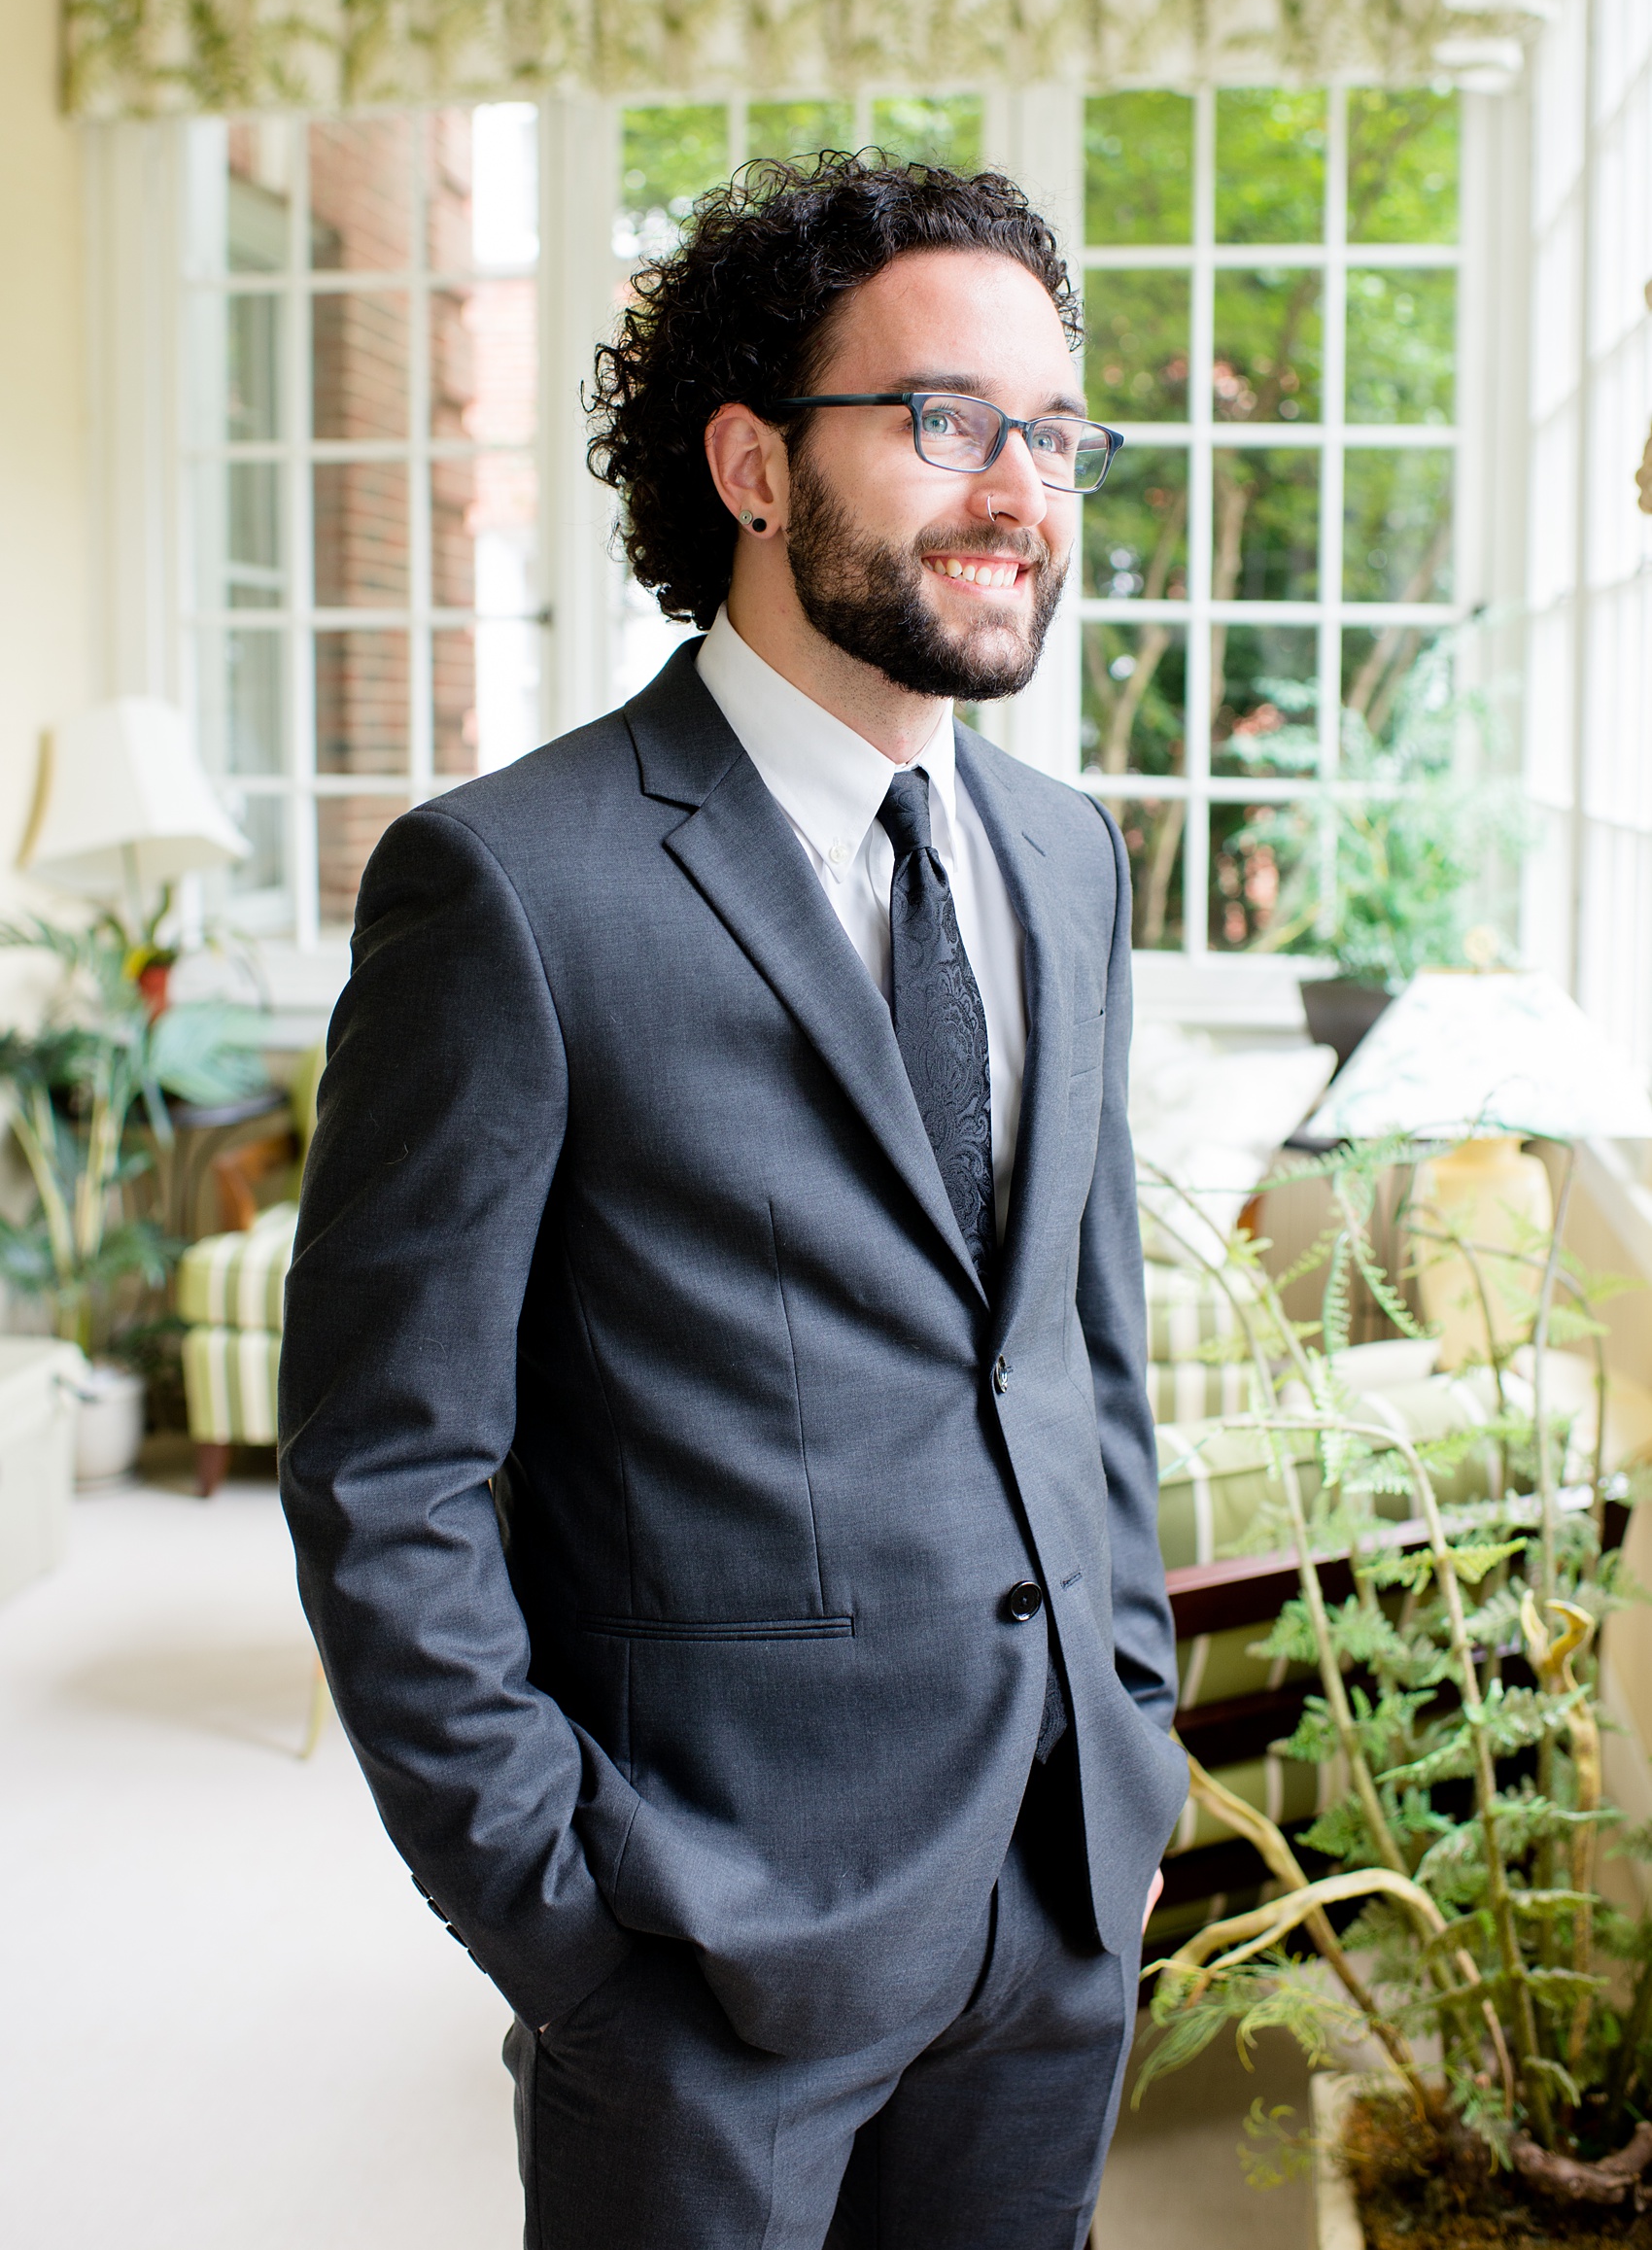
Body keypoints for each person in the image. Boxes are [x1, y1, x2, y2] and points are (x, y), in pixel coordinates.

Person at [279, 152, 1187, 2250]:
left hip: (1050, 1914)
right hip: (703, 1960)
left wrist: (1127, 1752)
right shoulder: (511, 884)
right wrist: (575, 1938)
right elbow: (384, 1469)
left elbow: (1084, 1354)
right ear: (752, 463)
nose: (1017, 489)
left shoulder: (1066, 858)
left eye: (1052, 432)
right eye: (945, 418)